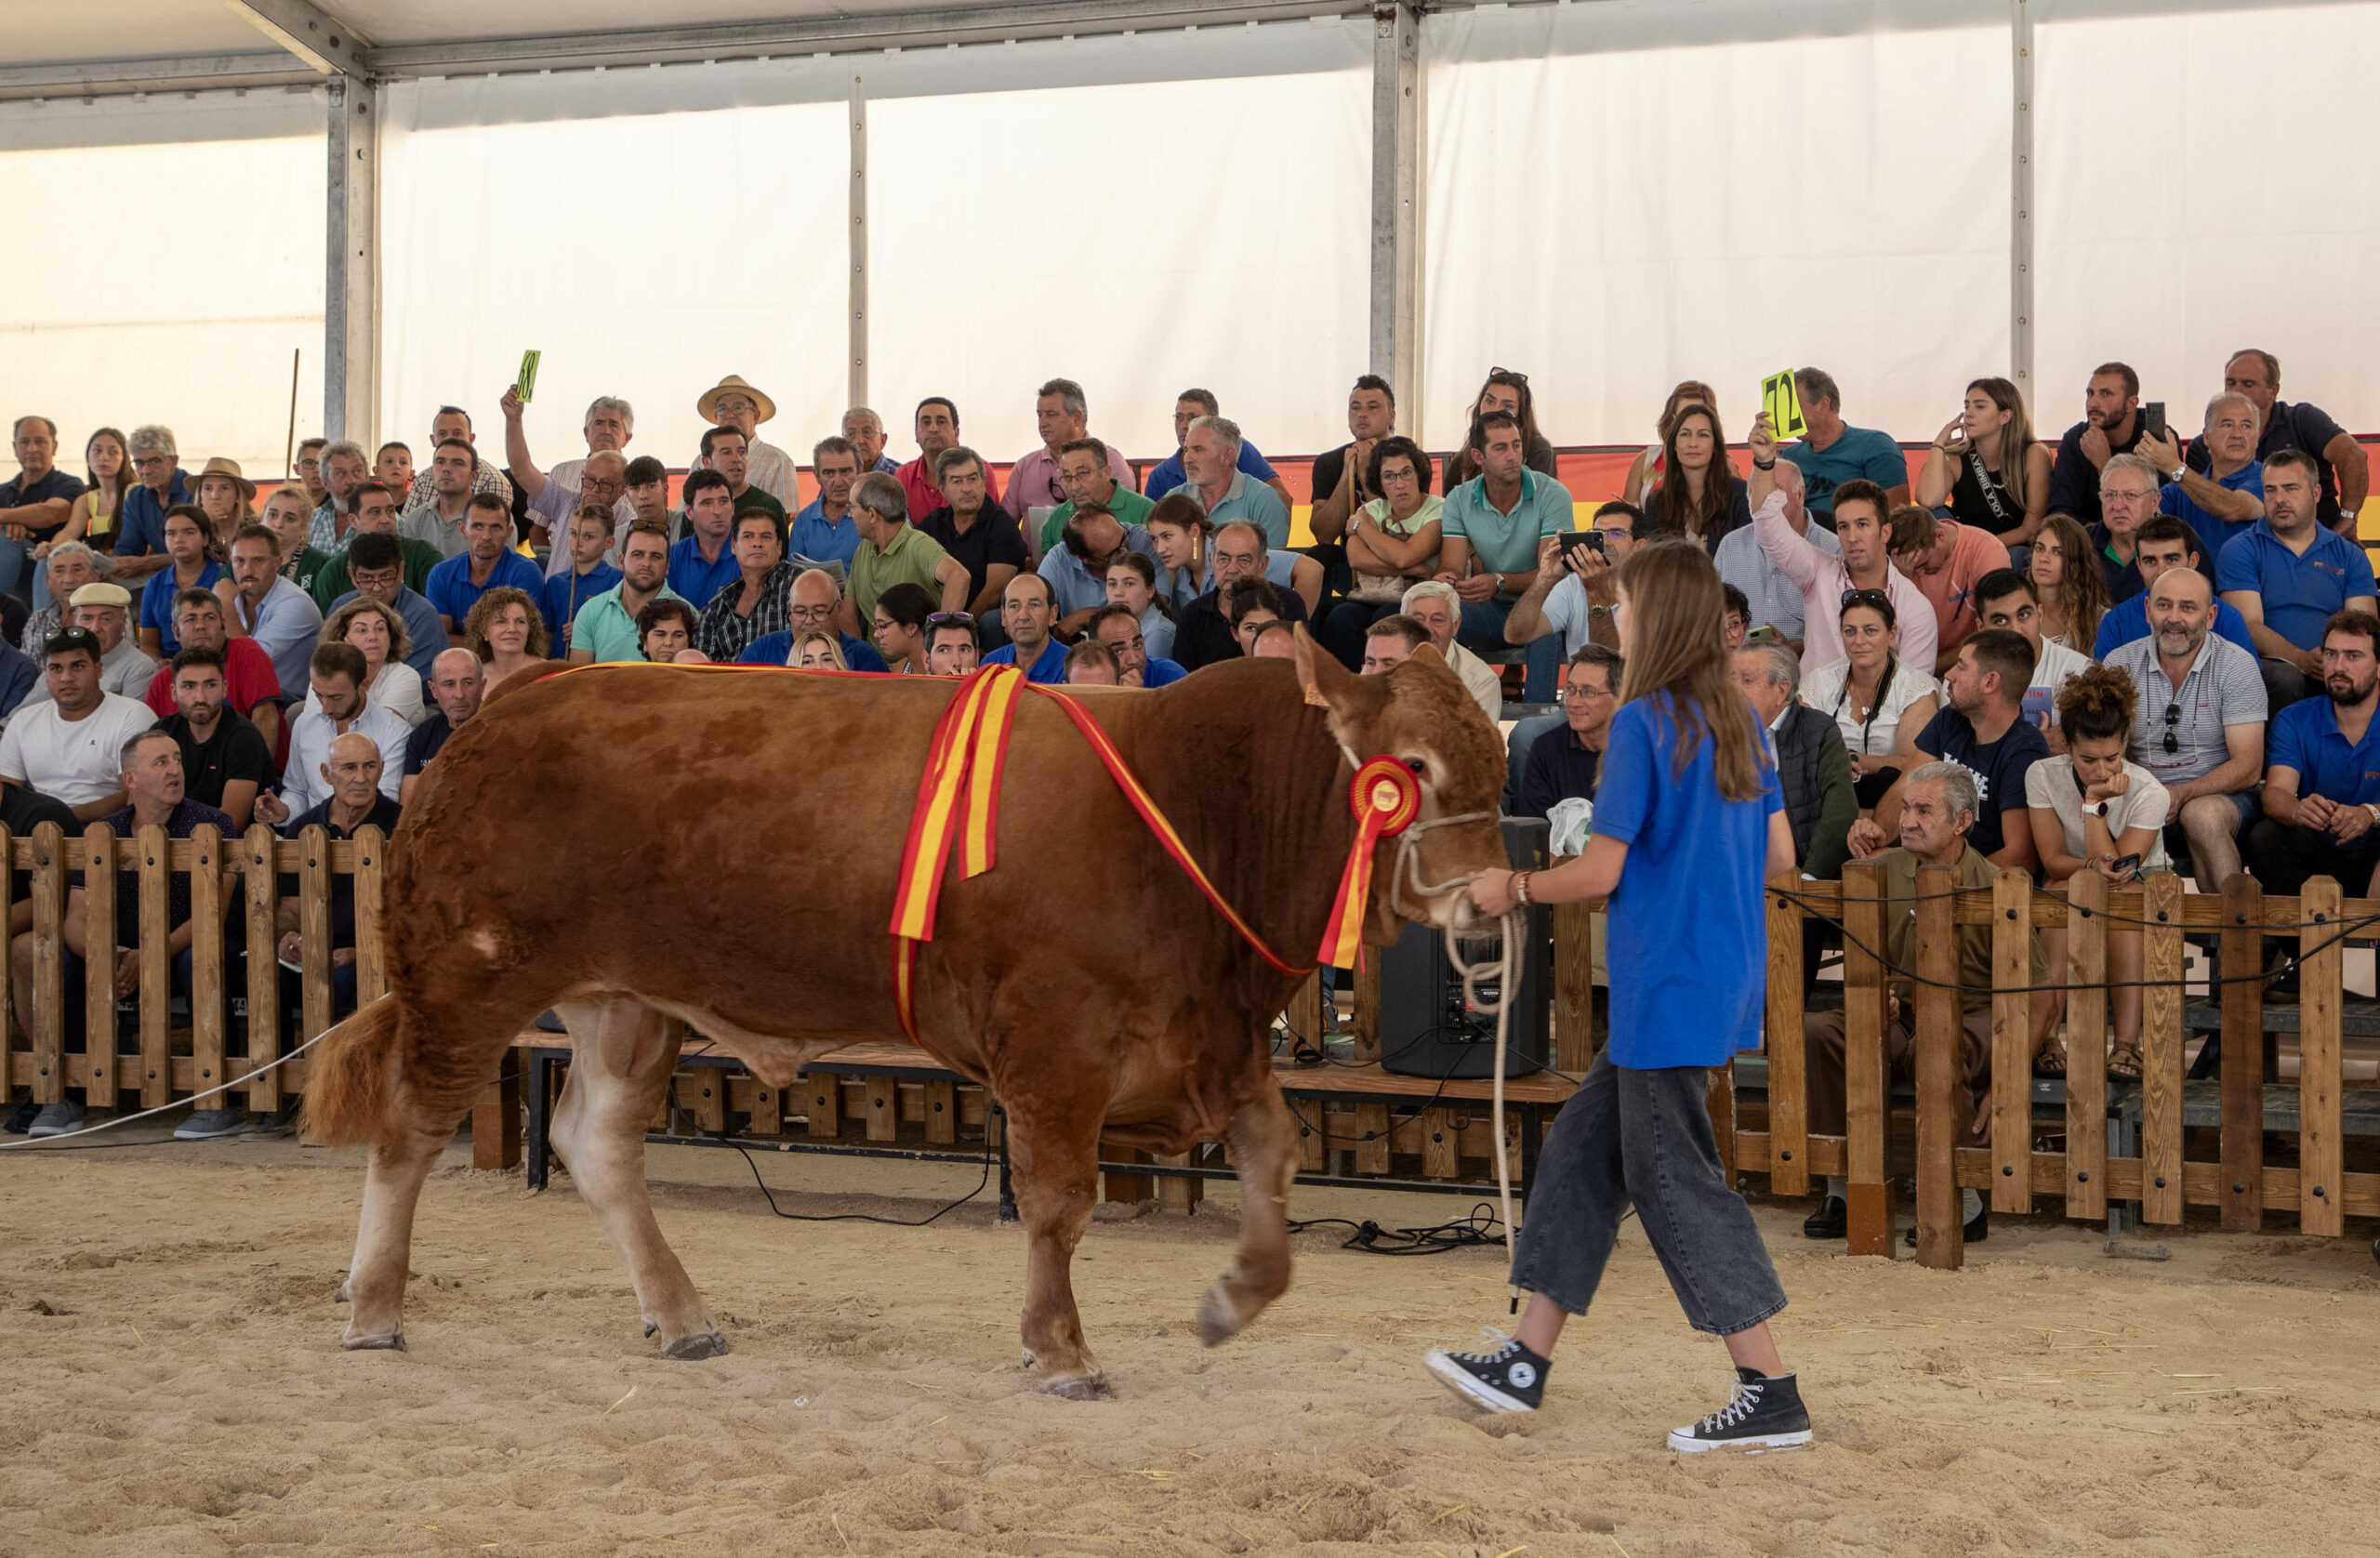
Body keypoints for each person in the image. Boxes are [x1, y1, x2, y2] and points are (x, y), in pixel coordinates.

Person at [1426, 539, 1808, 1448]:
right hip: (1712, 974)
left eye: (1624, 605)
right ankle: (1525, 1359)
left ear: (1656, 617)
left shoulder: (1641, 722)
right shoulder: (1744, 721)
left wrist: (1510, 885)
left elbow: (1599, 870)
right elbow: (1783, 855)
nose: (1615, 617)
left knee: (1673, 1180)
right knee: (1582, 1155)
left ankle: (1768, 1383)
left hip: (1661, 981)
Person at [1800, 762, 2049, 1245]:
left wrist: (2009, 1076)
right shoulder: (1881, 871)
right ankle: (1841, 1191)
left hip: (1977, 1020)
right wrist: (1879, 995)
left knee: (1936, 1040)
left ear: (1961, 823)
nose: (1908, 820)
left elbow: (2041, 999)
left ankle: (1963, 1202)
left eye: (1924, 810)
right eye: (1906, 808)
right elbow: (1866, 962)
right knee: (1822, 1031)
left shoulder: (1996, 885)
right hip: (1903, 1014)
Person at [13, 728, 234, 1138]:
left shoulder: (212, 823)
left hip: (179, 949)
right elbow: (75, 919)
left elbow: (213, 913)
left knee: (201, 955)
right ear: (130, 780)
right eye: (160, 763)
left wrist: (150, 954)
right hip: (115, 957)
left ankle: (215, 1100)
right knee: (56, 957)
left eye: (177, 761)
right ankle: (63, 1097)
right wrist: (104, 954)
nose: (174, 771)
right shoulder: (102, 831)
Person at [2026, 666, 2170, 1082]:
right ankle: (2049, 1037)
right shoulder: (2042, 775)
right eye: (2087, 759)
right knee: (2058, 889)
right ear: (2067, 745)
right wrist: (2091, 866)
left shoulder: (2149, 792)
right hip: (2073, 881)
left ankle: (2126, 1043)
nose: (2102, 771)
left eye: (2112, 758)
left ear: (2125, 742)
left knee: (2123, 902)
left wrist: (2092, 805)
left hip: (2140, 888)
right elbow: (2053, 859)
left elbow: (2122, 871)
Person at [2101, 563, 2267, 892]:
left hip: (2222, 797)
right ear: (2148, 610)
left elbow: (2249, 768)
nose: (2174, 618)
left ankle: (2234, 934)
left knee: (2200, 815)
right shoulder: (2118, 665)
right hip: (2139, 793)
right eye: (2164, 605)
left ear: (2210, 616)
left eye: (2188, 607)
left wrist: (2181, 793)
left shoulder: (2237, 665)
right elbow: (2108, 751)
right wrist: (2147, 796)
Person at [1857, 628, 2047, 871]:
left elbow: (2019, 856)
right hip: (1928, 862)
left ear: (1990, 682)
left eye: (1961, 666)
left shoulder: (2024, 751)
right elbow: (1905, 787)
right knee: (1863, 863)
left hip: (1981, 885)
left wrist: (1948, 882)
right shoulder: (1951, 718)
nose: (1948, 674)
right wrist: (1878, 832)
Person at [2216, 448, 2377, 712]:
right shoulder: (2240, 549)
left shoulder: (2349, 556)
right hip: (2269, 669)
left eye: (2290, 488)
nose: (2279, 499)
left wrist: (2332, 658)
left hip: (2336, 660)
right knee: (2285, 678)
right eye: (2270, 490)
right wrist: (2300, 659)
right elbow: (2247, 626)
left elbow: (2363, 628)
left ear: (2315, 494)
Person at [1751, 446, 1935, 672]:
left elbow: (1915, 694)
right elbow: (1768, 528)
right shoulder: (1818, 572)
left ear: (1885, 532)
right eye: (1843, 527)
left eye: (1862, 525)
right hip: (1811, 705)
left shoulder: (1915, 607)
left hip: (1879, 708)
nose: (1852, 537)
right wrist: (1764, 464)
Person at [269, 731, 402, 1032]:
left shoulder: (403, 826)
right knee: (266, 975)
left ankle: (335, 1074)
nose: (360, 777)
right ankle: (278, 1071)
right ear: (327, 774)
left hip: (376, 955)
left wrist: (364, 952)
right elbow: (290, 905)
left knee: (341, 982)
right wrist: (287, 935)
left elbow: (417, 917)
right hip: (313, 952)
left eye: (369, 766)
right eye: (349, 767)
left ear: (381, 770)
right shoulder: (303, 828)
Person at [1438, 411, 1574, 702]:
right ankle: (1445, 715)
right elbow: (1451, 566)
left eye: (1516, 445)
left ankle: (1537, 724)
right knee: (1439, 611)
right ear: (1478, 456)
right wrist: (1447, 581)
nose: (1512, 455)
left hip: (1540, 602)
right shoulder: (1459, 499)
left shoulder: (1553, 494)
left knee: (1544, 619)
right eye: (1500, 448)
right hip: (1489, 609)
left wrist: (1499, 581)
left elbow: (1550, 575)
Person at [2249, 610, 2380, 898]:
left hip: (2375, 852)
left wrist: (2370, 814)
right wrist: (2297, 809)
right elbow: (2275, 795)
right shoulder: (2295, 719)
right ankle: (2301, 942)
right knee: (2266, 837)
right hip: (2320, 852)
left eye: (2353, 656)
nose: (2338, 666)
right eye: (2331, 654)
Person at [2188, 348, 2369, 535]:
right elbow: (2194, 498)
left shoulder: (2303, 420)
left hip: (2319, 544)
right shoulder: (2202, 447)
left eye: (2248, 384)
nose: (2237, 391)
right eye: (2231, 383)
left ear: (2273, 390)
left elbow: (2352, 455)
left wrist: (2348, 519)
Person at [1799, 590, 1938, 812]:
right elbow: (1799, 751)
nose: (1859, 641)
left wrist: (1850, 759)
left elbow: (1914, 766)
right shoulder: (1819, 681)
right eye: (1850, 631)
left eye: (1870, 631)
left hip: (1895, 803)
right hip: (1826, 800)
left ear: (1891, 634)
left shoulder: (1916, 688)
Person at [0, 628, 159, 821]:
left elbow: (136, 793)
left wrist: (60, 818)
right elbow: (6, 793)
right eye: (56, 669)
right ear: (45, 673)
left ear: (98, 669)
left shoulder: (133, 715)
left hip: (111, 831)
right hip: (36, 831)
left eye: (77, 666)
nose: (66, 678)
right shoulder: (23, 721)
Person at [1316, 436, 1444, 669]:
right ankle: (1353, 690)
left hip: (1417, 597)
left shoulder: (1439, 509)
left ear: (1419, 474)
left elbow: (1403, 556)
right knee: (1340, 619)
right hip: (1372, 594)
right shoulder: (1371, 509)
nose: (1400, 483)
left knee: (1386, 619)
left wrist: (1360, 527)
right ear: (1380, 482)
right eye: (1389, 476)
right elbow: (1356, 559)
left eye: (1406, 472)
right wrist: (1417, 568)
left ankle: (1388, 691)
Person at [1735, 641, 1857, 879]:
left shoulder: (1818, 731)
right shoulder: (1717, 738)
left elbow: (1840, 815)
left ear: (1781, 690)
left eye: (1747, 681)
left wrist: (1807, 881)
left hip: (1805, 881)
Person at [258, 642, 407, 819]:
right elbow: (297, 790)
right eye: (319, 695)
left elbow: (386, 799)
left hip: (367, 836)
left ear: (364, 685)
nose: (326, 708)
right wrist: (284, 811)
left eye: (336, 697)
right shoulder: (305, 723)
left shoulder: (395, 731)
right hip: (313, 834)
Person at [139, 589, 285, 759]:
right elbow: (152, 744)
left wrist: (256, 775)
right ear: (175, 631)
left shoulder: (247, 652)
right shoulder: (162, 680)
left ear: (223, 624)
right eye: (190, 619)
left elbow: (265, 716)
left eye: (209, 618)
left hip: (249, 770)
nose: (201, 626)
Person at [501, 387, 629, 578]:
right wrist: (513, 419)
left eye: (605, 484)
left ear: (622, 489)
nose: (593, 489)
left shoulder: (629, 515)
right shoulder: (567, 502)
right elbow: (521, 469)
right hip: (554, 600)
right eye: (589, 481)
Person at [2090, 516, 2257, 660]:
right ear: (2139, 565)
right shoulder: (2116, 622)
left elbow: (2245, 683)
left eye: (2171, 559)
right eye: (2150, 561)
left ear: (2193, 561)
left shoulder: (2227, 617)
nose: (2161, 571)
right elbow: (2105, 692)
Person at [153, 645, 275, 829]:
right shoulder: (162, 732)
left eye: (210, 685)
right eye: (189, 686)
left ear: (224, 688)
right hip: (166, 842)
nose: (200, 697)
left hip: (236, 850)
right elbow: (139, 802)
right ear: (173, 692)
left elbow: (231, 823)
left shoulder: (244, 738)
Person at [1917, 376, 2050, 543]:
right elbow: (1928, 501)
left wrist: (1984, 549)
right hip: (1964, 544)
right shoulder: (1955, 457)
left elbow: (2032, 529)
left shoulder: (2034, 453)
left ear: (2005, 416)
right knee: (1932, 515)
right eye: (1967, 406)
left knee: (2016, 556)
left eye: (1979, 406)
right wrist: (1938, 445)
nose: (1968, 413)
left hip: (2009, 546)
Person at [1971, 569, 2092, 746]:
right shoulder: (1963, 678)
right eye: (2001, 621)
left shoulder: (2079, 672)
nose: (2016, 630)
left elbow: (2093, 750)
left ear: (2040, 613)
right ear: (1981, 627)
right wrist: (2033, 743)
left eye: (2024, 615)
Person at [1715, 480, 1838, 653]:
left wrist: (1791, 648)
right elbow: (1708, 616)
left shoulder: (1833, 549)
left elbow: (1842, 638)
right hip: (1734, 668)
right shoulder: (1730, 544)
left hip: (1805, 670)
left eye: (1777, 492)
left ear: (1800, 495)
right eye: (1757, 492)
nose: (1766, 500)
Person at [1172, 521, 1313, 672]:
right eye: (1224, 559)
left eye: (1244, 560)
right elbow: (1185, 682)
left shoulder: (1289, 604)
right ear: (1211, 562)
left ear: (1263, 564)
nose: (1232, 569)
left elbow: (1299, 673)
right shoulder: (1193, 615)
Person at [1884, 503, 2011, 671]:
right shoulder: (1899, 566)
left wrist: (1930, 667)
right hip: (1914, 663)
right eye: (1912, 568)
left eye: (1923, 563)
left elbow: (1996, 632)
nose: (1919, 572)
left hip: (1972, 661)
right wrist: (1900, 579)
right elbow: (1886, 635)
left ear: (1940, 535)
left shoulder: (1987, 550)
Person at [847, 473, 969, 647]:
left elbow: (959, 576)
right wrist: (857, 656)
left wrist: (938, 640)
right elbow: (848, 609)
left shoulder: (918, 544)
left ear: (872, 514)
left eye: (852, 507)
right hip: (875, 665)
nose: (849, 515)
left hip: (916, 666)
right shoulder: (864, 548)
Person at [1776, 367, 1910, 517]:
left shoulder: (1875, 445)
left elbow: (1898, 517)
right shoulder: (1789, 456)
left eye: (1793, 410)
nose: (1786, 419)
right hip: (1798, 537)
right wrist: (1764, 461)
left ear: (1823, 405)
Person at [917, 447, 1027, 627]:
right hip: (938, 616)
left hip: (978, 620)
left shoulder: (1002, 525)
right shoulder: (933, 524)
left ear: (984, 482)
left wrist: (958, 625)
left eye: (972, 479)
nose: (966, 489)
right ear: (942, 489)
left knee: (990, 622)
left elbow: (995, 591)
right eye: (957, 481)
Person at [2044, 362, 2160, 529]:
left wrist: (2105, 464)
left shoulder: (2154, 439)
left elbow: (2158, 513)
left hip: (2146, 546)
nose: (2093, 403)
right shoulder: (2075, 439)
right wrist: (2101, 537)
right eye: (2090, 394)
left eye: (2106, 394)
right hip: (2086, 545)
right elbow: (2061, 513)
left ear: (2131, 404)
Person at [1004, 378, 1135, 522]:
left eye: (1051, 414)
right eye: (1040, 415)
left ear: (1077, 418)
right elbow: (1004, 527)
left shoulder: (1110, 461)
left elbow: (1127, 521)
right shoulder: (1024, 467)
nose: (1043, 423)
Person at [1514, 644, 1621, 819]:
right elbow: (1536, 829)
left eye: (1588, 692)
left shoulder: (1640, 752)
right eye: (1570, 689)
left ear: (1618, 698)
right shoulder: (1545, 749)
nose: (1574, 702)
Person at [2159, 390, 2266, 564]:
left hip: (2247, 587)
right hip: (2187, 588)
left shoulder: (2269, 479)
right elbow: (2139, 518)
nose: (2237, 434)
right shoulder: (2180, 489)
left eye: (2246, 426)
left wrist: (2173, 466)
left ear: (2257, 437)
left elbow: (2232, 507)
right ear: (2206, 437)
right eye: (2227, 425)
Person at [324, 531, 443, 683]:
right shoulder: (341, 607)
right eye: (366, 578)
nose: (377, 588)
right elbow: (327, 666)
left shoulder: (423, 615)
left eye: (386, 576)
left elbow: (414, 681)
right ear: (352, 575)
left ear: (400, 571)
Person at [426, 495, 544, 643]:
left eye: (495, 527)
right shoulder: (441, 574)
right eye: (478, 526)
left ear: (508, 533)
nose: (486, 536)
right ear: (462, 530)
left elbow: (520, 640)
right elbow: (439, 640)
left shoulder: (526, 572)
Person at [1306, 376, 1410, 545]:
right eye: (1355, 408)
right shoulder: (1328, 462)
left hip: (1399, 551)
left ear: (1391, 416)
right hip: (1349, 554)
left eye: (1372, 407)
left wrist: (1364, 471)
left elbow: (1394, 531)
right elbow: (1323, 536)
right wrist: (1348, 474)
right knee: (1320, 555)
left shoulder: (1409, 460)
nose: (1362, 414)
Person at [309, 478, 443, 609]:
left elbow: (434, 617)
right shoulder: (334, 571)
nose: (386, 520)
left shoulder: (423, 555)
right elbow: (327, 627)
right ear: (353, 521)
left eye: (390, 511)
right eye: (375, 512)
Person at [1145, 388, 1289, 507]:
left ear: (1214, 421)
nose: (1184, 425)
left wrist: (1269, 541)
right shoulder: (1159, 476)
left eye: (1193, 417)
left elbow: (1283, 499)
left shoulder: (1239, 450)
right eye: (1179, 417)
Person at [1040, 504, 1163, 640]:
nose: (1124, 551)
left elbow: (1159, 604)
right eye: (1114, 552)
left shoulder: (1147, 541)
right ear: (1085, 559)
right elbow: (1036, 613)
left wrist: (1089, 615)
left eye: (1124, 539)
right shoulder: (1058, 560)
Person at [567, 521, 681, 666]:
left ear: (667, 567)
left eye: (656, 556)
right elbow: (579, 681)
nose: (646, 563)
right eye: (638, 554)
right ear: (621, 561)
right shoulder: (590, 611)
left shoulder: (688, 616)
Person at [734, 569, 890, 672]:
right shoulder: (762, 652)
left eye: (819, 611)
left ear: (839, 608)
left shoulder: (865, 658)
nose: (809, 621)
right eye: (800, 612)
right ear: (789, 608)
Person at [694, 509, 798, 664]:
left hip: (785, 683)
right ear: (734, 546)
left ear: (779, 547)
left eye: (766, 537)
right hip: (729, 686)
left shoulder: (798, 584)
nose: (757, 543)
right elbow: (703, 673)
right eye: (748, 536)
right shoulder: (716, 608)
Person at [1644, 402, 1750, 551]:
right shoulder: (1656, 502)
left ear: (1715, 445)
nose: (1693, 443)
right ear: (1674, 445)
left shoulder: (1741, 494)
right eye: (1685, 434)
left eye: (1703, 435)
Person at [0, 416, 83, 604]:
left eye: (40, 441)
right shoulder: (2, 491)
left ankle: (40, 629)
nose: (32, 449)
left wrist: (4, 519)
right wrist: (6, 526)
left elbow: (51, 513)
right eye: (25, 442)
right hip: (10, 578)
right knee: (7, 538)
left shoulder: (69, 484)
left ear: (54, 447)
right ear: (15, 448)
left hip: (50, 573)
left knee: (10, 540)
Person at [1175, 416, 1290, 550]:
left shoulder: (1264, 500)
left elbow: (1270, 565)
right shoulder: (1176, 499)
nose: (1187, 459)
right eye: (1186, 450)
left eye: (1198, 449)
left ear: (1226, 456)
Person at [34, 581, 160, 702]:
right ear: (74, 621)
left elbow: (130, 719)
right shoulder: (59, 662)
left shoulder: (140, 668)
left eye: (105, 619)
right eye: (86, 618)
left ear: (123, 621)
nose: (95, 628)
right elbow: (22, 715)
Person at [1037, 437, 1155, 561]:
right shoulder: (1056, 519)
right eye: (1067, 476)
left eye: (1082, 473)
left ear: (1106, 472)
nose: (1074, 486)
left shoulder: (1145, 511)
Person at [1400, 580, 1502, 722]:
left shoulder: (1481, 681)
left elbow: (1477, 743)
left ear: (1455, 625)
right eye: (1418, 620)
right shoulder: (1380, 664)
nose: (1427, 630)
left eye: (1437, 620)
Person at [1439, 368, 1558, 489]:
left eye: (1507, 406)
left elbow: (1538, 503)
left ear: (1520, 415)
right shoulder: (1460, 464)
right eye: (1489, 401)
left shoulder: (1538, 450)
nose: (1495, 410)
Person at [394, 405, 513, 526]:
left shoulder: (493, 480)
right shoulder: (422, 479)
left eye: (457, 433)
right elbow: (405, 530)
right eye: (442, 434)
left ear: (471, 439)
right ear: (433, 440)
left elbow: (494, 535)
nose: (449, 439)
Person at [319, 596, 425, 726]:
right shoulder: (324, 674)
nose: (373, 637)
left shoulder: (406, 677)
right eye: (362, 630)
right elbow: (314, 727)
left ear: (391, 637)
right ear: (342, 639)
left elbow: (378, 729)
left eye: (380, 629)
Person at [694, 376, 799, 506]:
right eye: (722, 409)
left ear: (755, 416)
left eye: (738, 408)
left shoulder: (778, 461)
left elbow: (786, 520)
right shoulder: (700, 461)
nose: (730, 415)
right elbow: (686, 513)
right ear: (716, 417)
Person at [136, 506, 223, 660]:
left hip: (217, 660)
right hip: (169, 666)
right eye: (171, 533)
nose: (179, 539)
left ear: (205, 538)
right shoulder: (155, 584)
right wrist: (159, 663)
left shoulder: (223, 577)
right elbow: (148, 644)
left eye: (188, 532)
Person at [402, 648, 484, 803]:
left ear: (482, 686)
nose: (459, 694)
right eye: (449, 684)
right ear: (434, 690)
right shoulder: (422, 735)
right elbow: (408, 806)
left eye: (467, 683)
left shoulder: (499, 732)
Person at [43, 427, 127, 578]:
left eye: (113, 452)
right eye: (97, 451)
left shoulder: (135, 492)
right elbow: (69, 532)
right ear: (88, 458)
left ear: (125, 458)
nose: (104, 458)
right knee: (48, 560)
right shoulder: (86, 500)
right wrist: (52, 547)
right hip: (98, 565)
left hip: (126, 564)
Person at [1619, 380, 1719, 507]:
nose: (1690, 423)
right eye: (1683, 416)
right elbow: (1628, 518)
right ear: (1670, 418)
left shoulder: (1725, 465)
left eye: (1698, 414)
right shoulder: (1645, 460)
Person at [540, 506, 624, 654]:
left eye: (588, 537)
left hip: (596, 668)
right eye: (573, 534)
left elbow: (622, 629)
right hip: (558, 667)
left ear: (609, 542)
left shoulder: (617, 581)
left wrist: (585, 630)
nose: (578, 542)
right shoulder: (555, 583)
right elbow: (547, 634)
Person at [112, 424, 189, 582]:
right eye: (139, 463)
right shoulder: (136, 497)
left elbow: (198, 554)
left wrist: (147, 563)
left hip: (194, 576)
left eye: (154, 462)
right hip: (158, 577)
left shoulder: (194, 492)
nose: (146, 470)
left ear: (173, 461)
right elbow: (128, 549)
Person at [897, 397, 994, 521]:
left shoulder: (980, 470)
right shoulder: (903, 475)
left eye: (941, 422)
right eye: (926, 422)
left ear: (956, 433)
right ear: (916, 434)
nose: (933, 429)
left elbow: (989, 526)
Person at [2088, 453, 2162, 603]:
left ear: (2154, 502)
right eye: (2110, 495)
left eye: (2130, 496)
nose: (2118, 505)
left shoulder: (2179, 543)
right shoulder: (2082, 543)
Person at [2028, 514, 2108, 652]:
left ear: (2076, 562)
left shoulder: (2099, 619)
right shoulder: (2015, 610)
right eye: (2040, 549)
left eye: (2057, 552)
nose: (2044, 558)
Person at [692, 423, 789, 535]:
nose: (736, 459)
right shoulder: (695, 508)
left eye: (741, 452)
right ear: (707, 462)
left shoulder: (770, 506)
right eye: (726, 452)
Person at [665, 469, 740, 611]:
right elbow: (670, 613)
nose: (717, 511)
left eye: (723, 501)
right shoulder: (674, 555)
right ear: (689, 512)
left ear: (733, 507)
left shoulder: (749, 551)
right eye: (707, 503)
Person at [789, 436, 863, 574]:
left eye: (845, 471)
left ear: (860, 470)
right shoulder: (803, 520)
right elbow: (793, 573)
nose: (838, 481)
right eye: (829, 473)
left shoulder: (878, 513)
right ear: (816, 475)